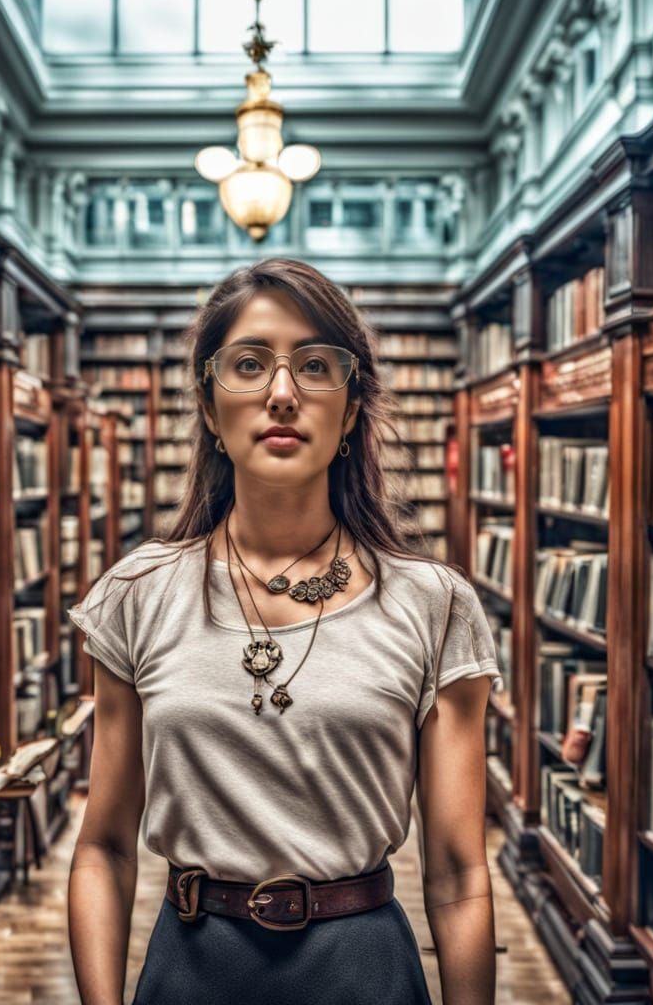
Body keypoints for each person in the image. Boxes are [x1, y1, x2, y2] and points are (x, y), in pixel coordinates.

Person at [67, 258, 503, 1005]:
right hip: (190, 970)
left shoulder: (434, 604)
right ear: (209, 407)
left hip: (363, 971)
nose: (280, 392)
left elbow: (460, 873)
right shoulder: (137, 593)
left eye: (314, 365)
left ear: (352, 404)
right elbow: (104, 849)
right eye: (247, 364)